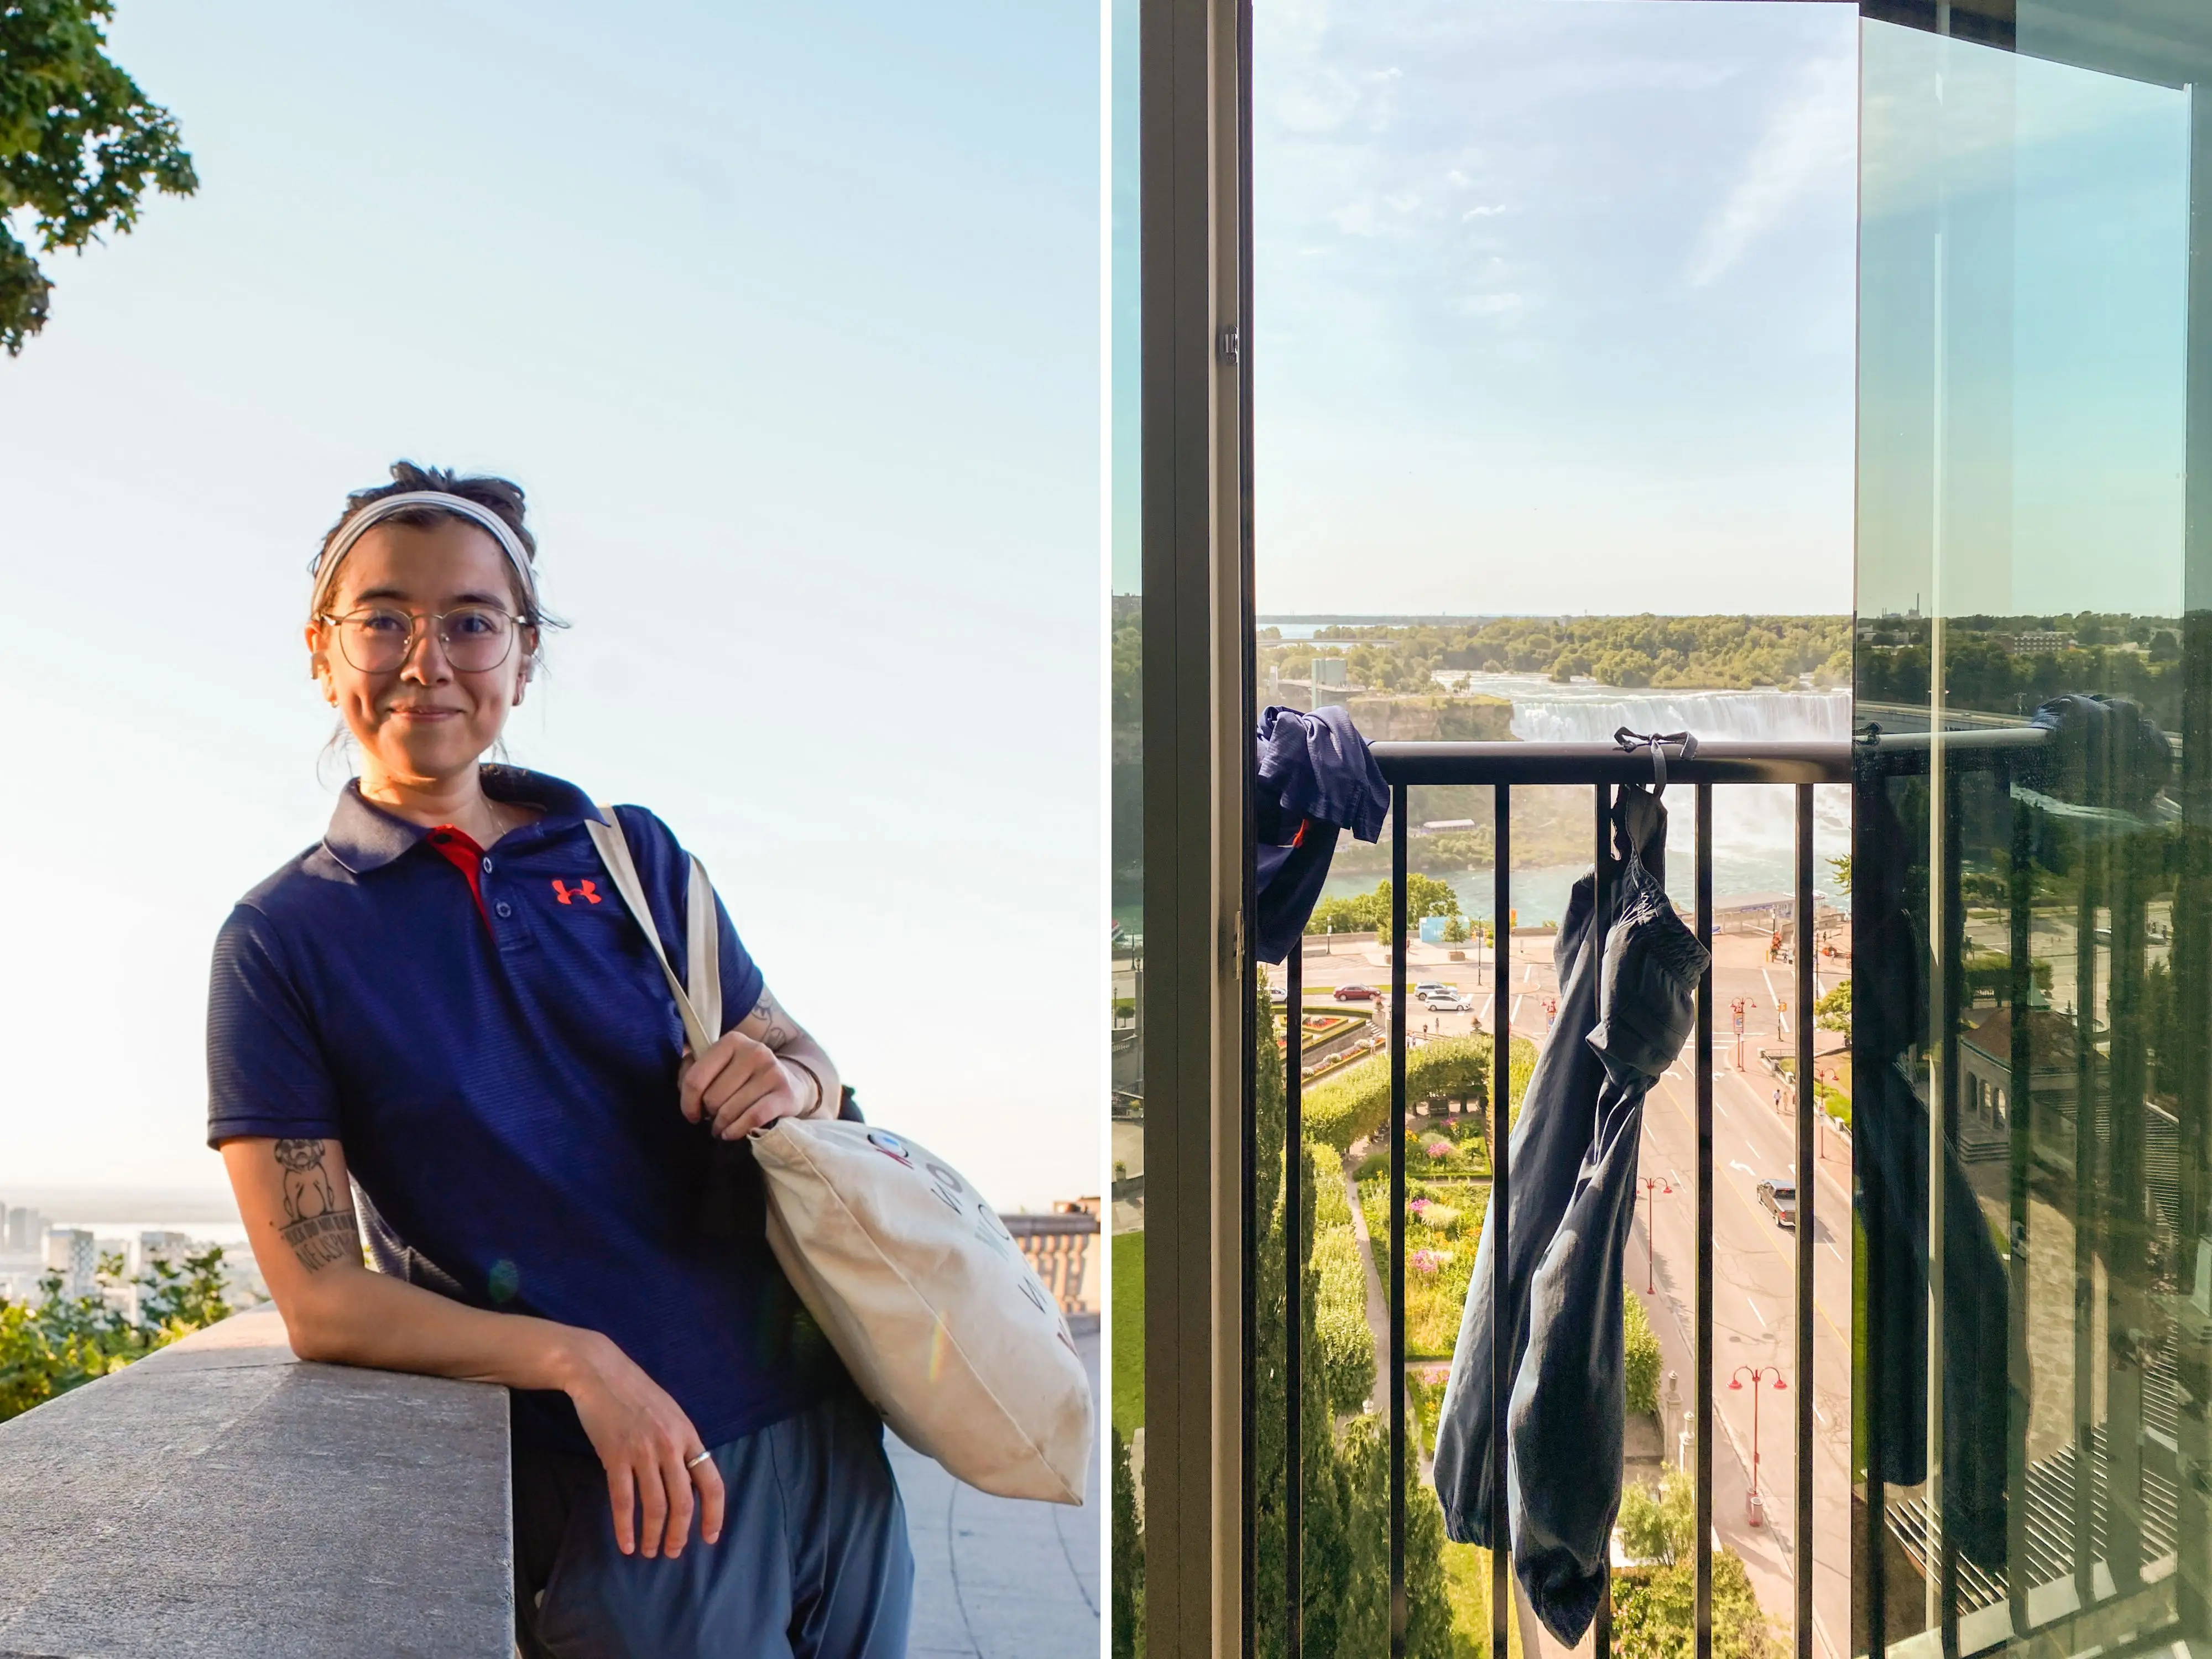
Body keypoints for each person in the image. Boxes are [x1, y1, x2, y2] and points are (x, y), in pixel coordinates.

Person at [206, 463, 911, 1658]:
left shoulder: (635, 856)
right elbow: (322, 1300)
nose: (427, 659)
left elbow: (799, 1052)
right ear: (322, 652)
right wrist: (576, 1361)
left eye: (471, 621)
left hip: (828, 1431)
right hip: (626, 1491)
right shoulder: (282, 939)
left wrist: (788, 1079)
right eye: (384, 617)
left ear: (523, 656)